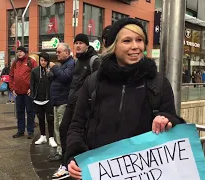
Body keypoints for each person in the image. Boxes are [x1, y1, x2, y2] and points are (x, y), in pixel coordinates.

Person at [64, 18, 186, 179]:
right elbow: (76, 126)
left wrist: (166, 119)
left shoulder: (158, 83)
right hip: (99, 173)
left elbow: (173, 121)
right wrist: (75, 156)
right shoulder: (94, 82)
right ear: (114, 46)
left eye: (140, 40)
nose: (135, 46)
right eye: (127, 41)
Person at [51, 34, 101, 179]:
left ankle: (79, 163)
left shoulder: (94, 60)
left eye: (81, 43)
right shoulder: (78, 61)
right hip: (72, 102)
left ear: (87, 45)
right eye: (76, 43)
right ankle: (67, 163)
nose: (78, 45)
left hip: (86, 104)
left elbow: (98, 84)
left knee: (81, 133)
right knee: (64, 128)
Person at [48, 43, 75, 172]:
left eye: (59, 52)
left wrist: (54, 68)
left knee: (61, 128)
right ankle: (60, 151)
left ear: (67, 52)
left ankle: (64, 152)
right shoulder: (63, 65)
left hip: (63, 101)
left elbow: (66, 77)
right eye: (56, 52)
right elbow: (54, 78)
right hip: (57, 101)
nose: (57, 54)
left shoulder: (71, 64)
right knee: (57, 128)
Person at [10, 46, 38, 139]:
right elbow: (11, 76)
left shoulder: (31, 61)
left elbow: (36, 75)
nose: (19, 53)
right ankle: (20, 131)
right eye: (18, 51)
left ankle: (30, 131)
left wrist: (32, 88)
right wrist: (12, 88)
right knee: (19, 112)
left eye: (21, 51)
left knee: (30, 111)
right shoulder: (15, 63)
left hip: (28, 92)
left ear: (25, 52)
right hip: (18, 92)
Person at [30, 52, 57, 147]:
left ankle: (51, 138)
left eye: (45, 60)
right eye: (41, 60)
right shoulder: (34, 71)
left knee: (50, 119)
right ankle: (43, 136)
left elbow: (54, 81)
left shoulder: (51, 71)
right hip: (37, 99)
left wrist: (50, 73)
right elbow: (32, 84)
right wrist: (33, 96)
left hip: (48, 99)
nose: (43, 62)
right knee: (40, 118)